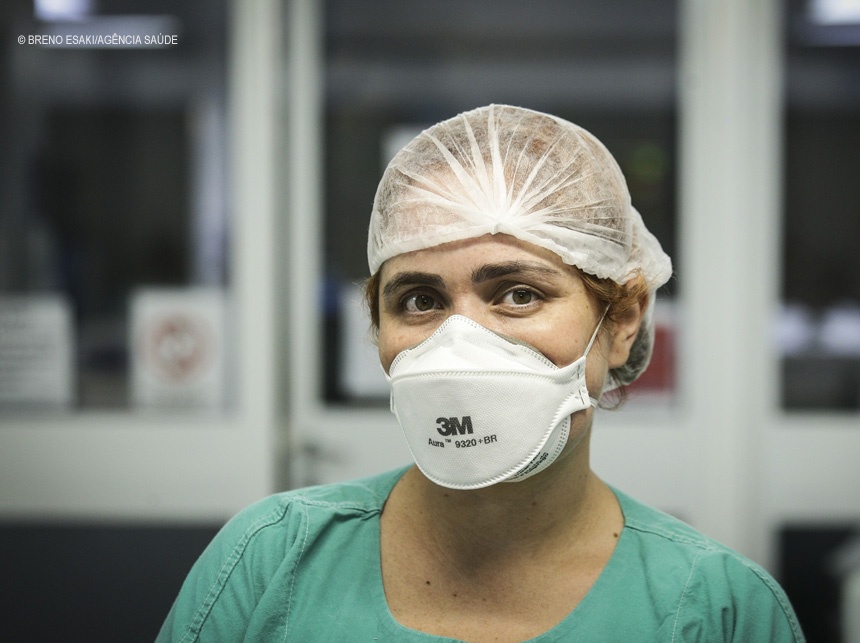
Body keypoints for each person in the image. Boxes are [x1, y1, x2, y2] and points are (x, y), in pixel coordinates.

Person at [157, 105, 804, 642]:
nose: (460, 340)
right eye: (420, 299)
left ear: (623, 318)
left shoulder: (719, 609)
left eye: (519, 293)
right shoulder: (272, 560)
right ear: (377, 325)